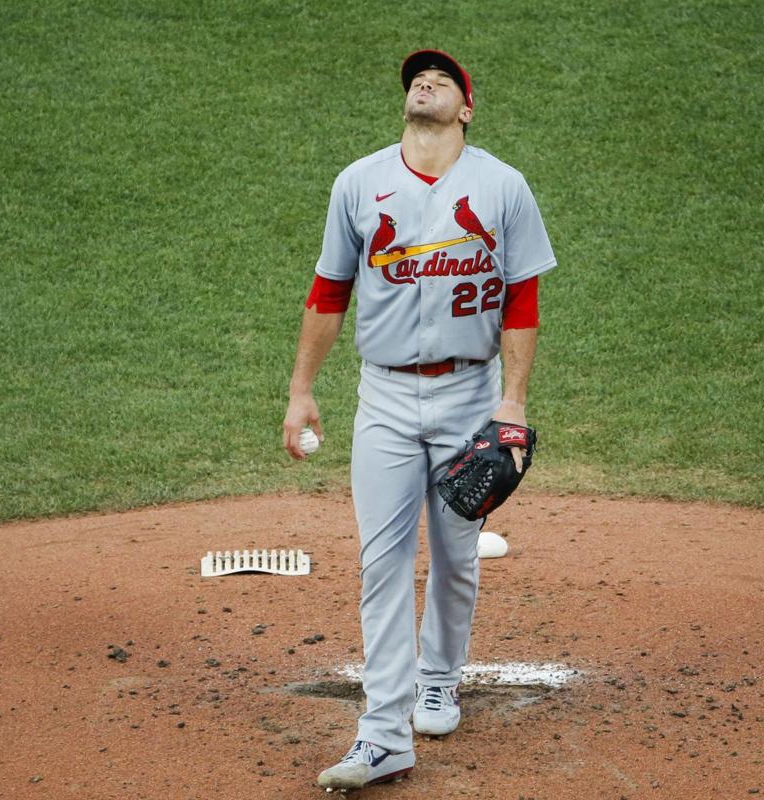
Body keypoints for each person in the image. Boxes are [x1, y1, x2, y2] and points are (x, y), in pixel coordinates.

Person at [281, 49, 557, 791]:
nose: (423, 84)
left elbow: (522, 300)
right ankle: (382, 735)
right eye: (415, 79)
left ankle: (439, 679)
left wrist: (513, 404)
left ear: (466, 108)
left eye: (440, 80)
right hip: (386, 398)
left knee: (456, 553)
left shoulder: (502, 187)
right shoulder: (359, 183)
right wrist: (301, 389)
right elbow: (328, 290)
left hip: (472, 393)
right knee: (381, 561)